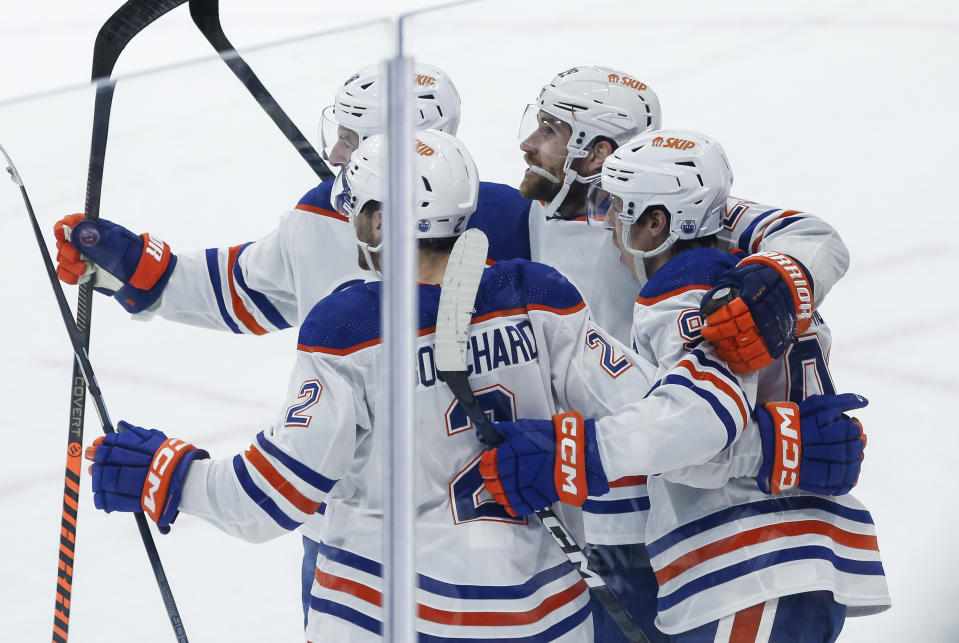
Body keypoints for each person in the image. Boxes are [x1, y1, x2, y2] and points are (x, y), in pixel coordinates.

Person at [52, 62, 530, 625]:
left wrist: (172, 477)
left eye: (351, 141)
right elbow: (246, 288)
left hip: (374, 559)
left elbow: (276, 492)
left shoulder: (517, 232)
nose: (335, 155)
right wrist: (134, 267)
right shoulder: (342, 217)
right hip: (501, 553)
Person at [482, 129, 890, 641]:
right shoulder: (756, 273)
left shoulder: (691, 284)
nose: (607, 221)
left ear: (657, 223)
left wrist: (575, 454)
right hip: (787, 552)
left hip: (744, 558)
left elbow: (699, 424)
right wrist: (779, 444)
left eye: (618, 207)